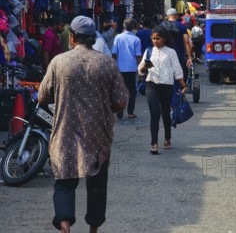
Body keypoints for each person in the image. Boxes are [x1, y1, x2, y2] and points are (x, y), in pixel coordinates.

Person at [38, 16, 128, 233]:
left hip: (64, 133)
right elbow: (121, 101)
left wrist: (60, 97)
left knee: (64, 183)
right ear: (93, 38)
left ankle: (65, 226)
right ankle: (93, 231)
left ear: (72, 38)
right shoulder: (107, 63)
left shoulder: (58, 62)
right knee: (97, 186)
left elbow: (42, 97)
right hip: (98, 135)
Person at [138, 25, 186, 155]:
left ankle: (167, 138)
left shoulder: (171, 52)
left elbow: (177, 70)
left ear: (164, 39)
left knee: (165, 112)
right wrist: (143, 68)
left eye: (158, 38)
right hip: (151, 85)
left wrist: (184, 86)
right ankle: (154, 143)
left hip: (166, 86)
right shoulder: (148, 51)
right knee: (154, 114)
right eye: (153, 38)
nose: (155, 41)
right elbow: (141, 70)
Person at [112, 18, 142, 119]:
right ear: (133, 27)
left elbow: (114, 53)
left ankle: (120, 111)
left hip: (120, 68)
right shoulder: (136, 39)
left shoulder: (118, 38)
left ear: (124, 26)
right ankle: (130, 112)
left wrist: (114, 65)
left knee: (121, 90)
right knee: (132, 91)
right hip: (132, 68)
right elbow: (138, 55)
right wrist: (141, 67)